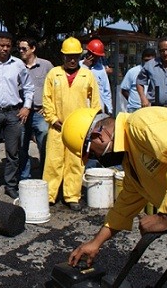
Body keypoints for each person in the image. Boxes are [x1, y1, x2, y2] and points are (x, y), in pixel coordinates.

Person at [62, 107, 167, 288]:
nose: (98, 159)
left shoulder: (141, 124)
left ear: (98, 135)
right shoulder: (132, 162)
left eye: (92, 154)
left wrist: (165, 217)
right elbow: (124, 206)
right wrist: (96, 242)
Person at [42, 37, 101, 211]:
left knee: (75, 163)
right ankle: (50, 195)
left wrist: (91, 125)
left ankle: (72, 196)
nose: (72, 59)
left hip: (78, 130)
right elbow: (47, 99)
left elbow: (96, 103)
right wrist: (52, 119)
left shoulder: (87, 75)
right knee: (53, 162)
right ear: (63, 56)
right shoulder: (54, 74)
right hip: (57, 127)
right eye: (69, 56)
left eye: (75, 56)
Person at [0, 31, 34, 200]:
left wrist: (26, 107)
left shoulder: (18, 64)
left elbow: (28, 87)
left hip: (13, 113)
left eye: (8, 46)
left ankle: (11, 185)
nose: (5, 49)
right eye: (1, 45)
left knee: (13, 152)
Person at [17, 37, 53, 180]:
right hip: (22, 113)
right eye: (19, 48)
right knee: (21, 147)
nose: (21, 51)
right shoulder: (16, 65)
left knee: (44, 145)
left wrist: (48, 106)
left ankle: (46, 176)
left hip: (40, 112)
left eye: (24, 49)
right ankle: (24, 178)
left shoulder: (46, 66)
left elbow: (54, 87)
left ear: (33, 48)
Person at [80, 39, 113, 115]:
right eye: (94, 56)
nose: (96, 59)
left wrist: (109, 109)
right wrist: (85, 66)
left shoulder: (101, 69)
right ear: (88, 54)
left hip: (98, 108)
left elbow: (106, 90)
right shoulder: (79, 66)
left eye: (98, 57)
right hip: (83, 107)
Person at [120, 48, 156, 113]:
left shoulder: (158, 73)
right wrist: (132, 102)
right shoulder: (132, 72)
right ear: (142, 59)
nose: (148, 63)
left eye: (151, 61)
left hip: (151, 109)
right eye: (146, 60)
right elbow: (124, 90)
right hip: (134, 109)